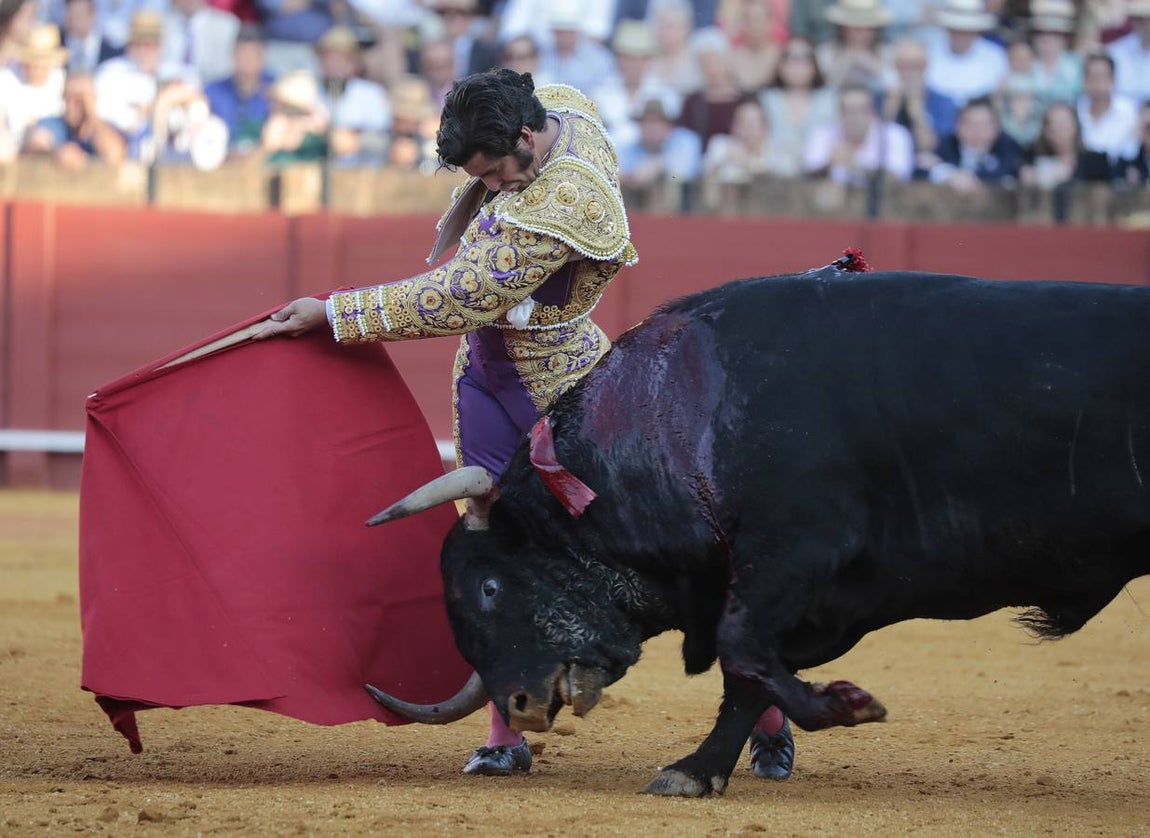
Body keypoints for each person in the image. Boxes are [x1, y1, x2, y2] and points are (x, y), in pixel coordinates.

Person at [251, 68, 797, 781]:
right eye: (483, 177)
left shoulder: (567, 201)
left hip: (568, 391)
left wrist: (336, 311)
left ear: (529, 136)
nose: (497, 187)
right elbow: (549, 91)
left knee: (673, 552)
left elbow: (461, 293)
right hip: (485, 377)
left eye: (501, 172)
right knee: (494, 552)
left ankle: (767, 711)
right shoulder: (560, 109)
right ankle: (505, 733)